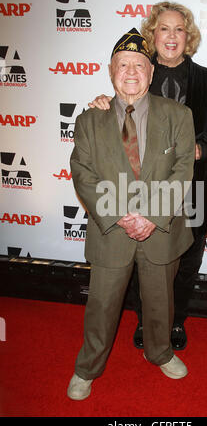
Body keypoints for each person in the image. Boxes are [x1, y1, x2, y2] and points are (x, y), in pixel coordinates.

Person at [89, 1, 207, 351]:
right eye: (164, 29)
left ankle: (175, 323)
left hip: (194, 188)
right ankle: (145, 321)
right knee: (145, 260)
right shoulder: (138, 71)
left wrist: (199, 148)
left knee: (187, 262)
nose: (171, 36)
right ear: (151, 34)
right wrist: (100, 105)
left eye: (179, 29)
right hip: (145, 189)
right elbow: (117, 115)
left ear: (189, 37)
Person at [67, 28, 196, 400]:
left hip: (162, 229)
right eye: (123, 65)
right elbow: (83, 173)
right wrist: (121, 216)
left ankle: (161, 352)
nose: (131, 72)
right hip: (111, 229)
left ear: (151, 73)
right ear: (111, 72)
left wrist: (150, 217)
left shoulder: (178, 115)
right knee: (102, 305)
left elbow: (183, 169)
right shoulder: (90, 120)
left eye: (139, 65)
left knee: (160, 301)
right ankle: (87, 367)